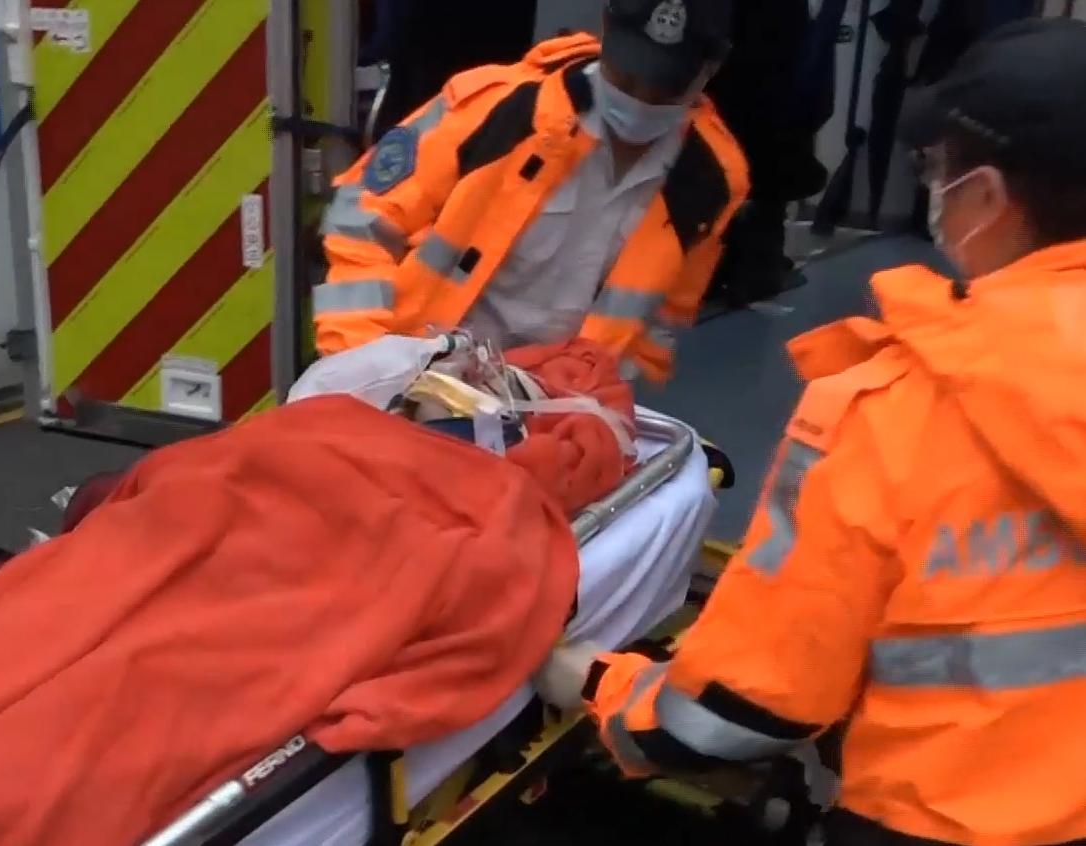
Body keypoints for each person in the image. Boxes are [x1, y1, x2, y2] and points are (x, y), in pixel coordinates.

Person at [535, 17, 1086, 846]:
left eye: (935, 167)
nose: (934, 189)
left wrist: (597, 685)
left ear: (986, 195)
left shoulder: (893, 413)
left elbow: (737, 714)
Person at [314, 0, 750, 383]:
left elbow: (665, 315)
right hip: (421, 370)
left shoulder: (711, 179)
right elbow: (359, 221)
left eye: (664, 88)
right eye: (627, 76)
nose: (640, 97)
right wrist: (365, 363)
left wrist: (603, 385)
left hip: (561, 396)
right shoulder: (495, 110)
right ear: (606, 28)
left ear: (711, 69)